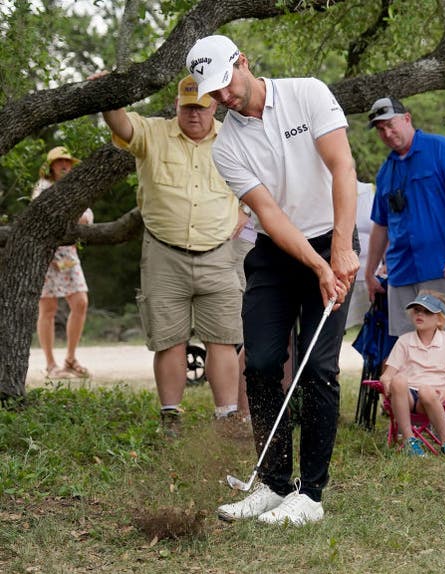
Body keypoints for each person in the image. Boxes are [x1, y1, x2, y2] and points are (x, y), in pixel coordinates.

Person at [187, 34, 359, 525]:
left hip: (333, 236)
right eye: (212, 92)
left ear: (243, 62)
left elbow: (343, 166)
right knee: (261, 362)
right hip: (277, 252)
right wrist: (318, 267)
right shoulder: (227, 146)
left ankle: (312, 495)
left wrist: (340, 251)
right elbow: (269, 213)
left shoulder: (307, 93)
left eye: (225, 84)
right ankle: (274, 484)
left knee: (317, 366)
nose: (223, 98)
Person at [97, 74, 242, 437]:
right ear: (177, 105)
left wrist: (245, 213)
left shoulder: (236, 137)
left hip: (219, 253)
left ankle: (226, 417)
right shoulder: (153, 133)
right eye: (188, 107)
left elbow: (261, 181)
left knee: (223, 339)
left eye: (202, 107)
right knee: (169, 340)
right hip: (164, 254)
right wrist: (107, 95)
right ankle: (171, 417)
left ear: (215, 107)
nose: (195, 115)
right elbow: (122, 124)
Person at [364, 96, 445, 338]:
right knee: (406, 345)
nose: (386, 132)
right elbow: (381, 226)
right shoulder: (386, 171)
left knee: (444, 340)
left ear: (407, 119)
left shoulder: (440, 148)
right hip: (401, 270)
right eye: (380, 129)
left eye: (390, 124)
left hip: (442, 265)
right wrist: (369, 272)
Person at [379, 291, 445, 458]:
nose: (420, 314)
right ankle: (409, 441)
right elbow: (387, 375)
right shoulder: (404, 341)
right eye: (417, 310)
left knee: (426, 390)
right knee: (398, 380)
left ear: (439, 319)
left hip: (434, 397)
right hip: (407, 396)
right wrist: (386, 385)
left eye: (427, 312)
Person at [32, 146, 92, 380]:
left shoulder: (76, 188)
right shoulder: (42, 187)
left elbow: (87, 217)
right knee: (47, 308)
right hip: (46, 253)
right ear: (51, 166)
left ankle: (70, 358)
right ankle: (50, 364)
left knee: (81, 302)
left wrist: (76, 216)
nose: (65, 165)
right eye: (59, 162)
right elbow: (47, 215)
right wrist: (72, 215)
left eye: (68, 161)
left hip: (68, 253)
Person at [346, 181, 377, 332]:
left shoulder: (368, 192)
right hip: (342, 275)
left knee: (375, 326)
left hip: (369, 272)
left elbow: (382, 229)